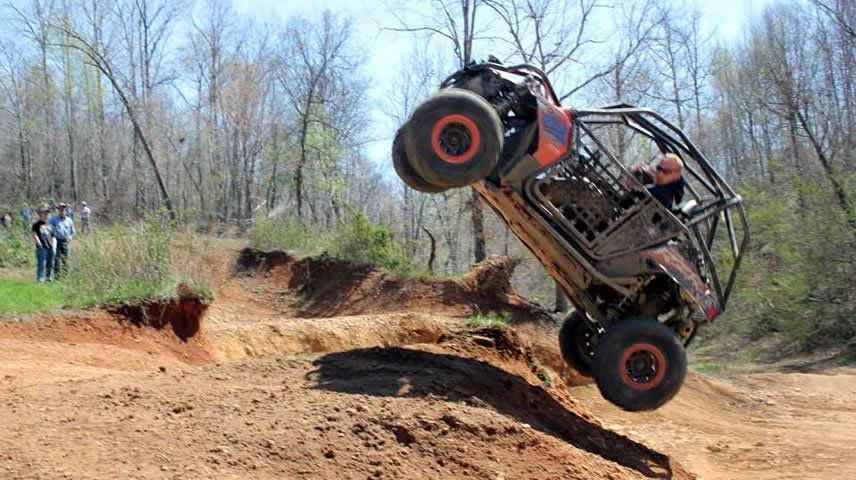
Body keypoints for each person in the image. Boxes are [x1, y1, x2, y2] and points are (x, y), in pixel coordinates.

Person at [50, 203, 75, 278]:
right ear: (58, 210)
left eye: (63, 210)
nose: (62, 211)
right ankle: (57, 276)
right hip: (57, 241)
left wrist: (70, 237)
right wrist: (52, 237)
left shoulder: (69, 220)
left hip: (66, 242)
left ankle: (65, 276)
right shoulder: (53, 219)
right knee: (57, 259)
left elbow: (73, 232)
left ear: (66, 210)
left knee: (66, 259)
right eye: (60, 209)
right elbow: (49, 229)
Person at [32, 205, 55, 283]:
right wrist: (39, 244)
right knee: (42, 265)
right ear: (40, 214)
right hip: (41, 248)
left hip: (50, 247)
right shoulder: (36, 224)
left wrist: (53, 245)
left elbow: (53, 236)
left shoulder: (50, 225)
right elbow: (34, 235)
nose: (46, 214)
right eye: (44, 213)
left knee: (50, 264)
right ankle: (40, 280)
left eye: (47, 213)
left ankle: (49, 279)